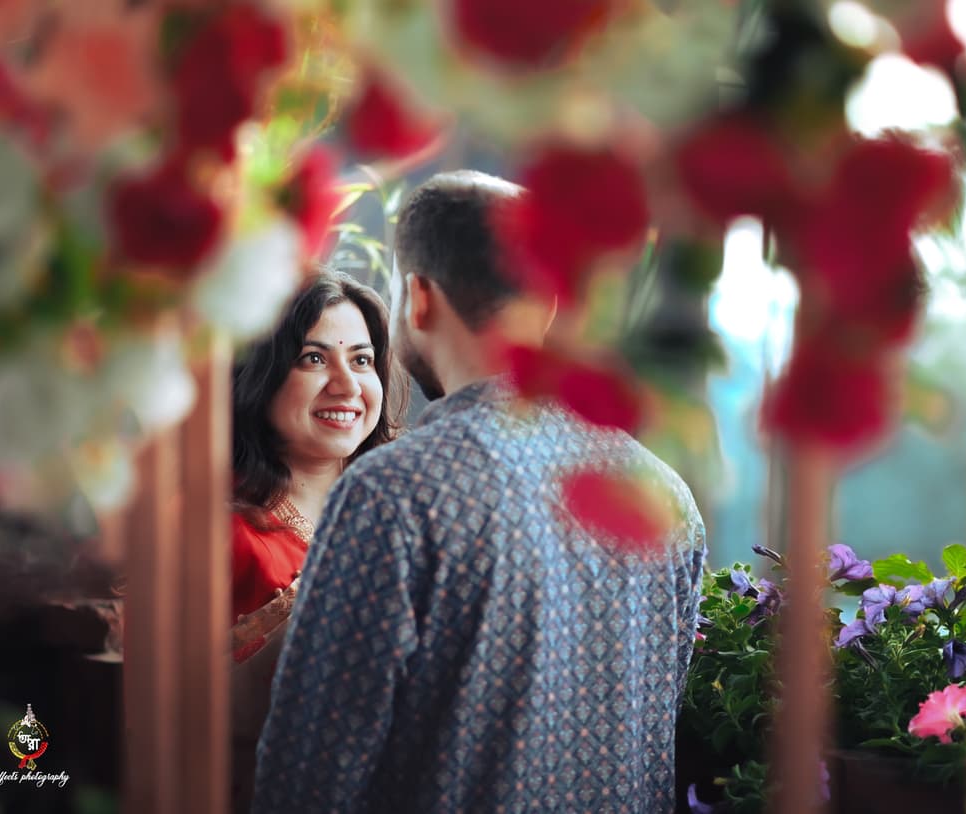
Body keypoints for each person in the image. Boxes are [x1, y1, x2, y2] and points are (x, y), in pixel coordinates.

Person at [253, 171, 706, 814]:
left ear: (419, 298)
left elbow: (307, 777)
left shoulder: (395, 494)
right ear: (548, 305)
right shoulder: (663, 496)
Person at [228, 269, 404, 813]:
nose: (347, 385)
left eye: (361, 359)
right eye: (313, 359)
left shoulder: (403, 513)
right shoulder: (223, 536)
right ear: (260, 375)